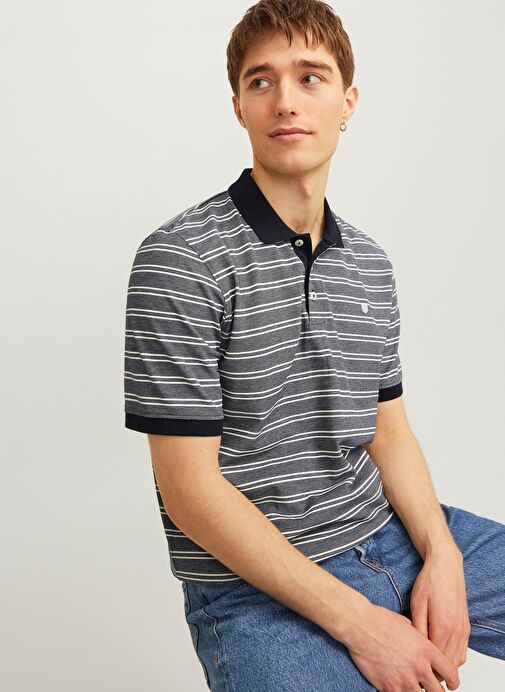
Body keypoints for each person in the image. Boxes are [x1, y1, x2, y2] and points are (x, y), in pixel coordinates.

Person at [123, 1, 505, 689]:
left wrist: (442, 555)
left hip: (386, 534)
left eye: (310, 77)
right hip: (254, 590)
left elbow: (388, 431)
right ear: (239, 108)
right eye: (261, 81)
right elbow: (189, 491)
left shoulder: (368, 262)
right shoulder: (180, 259)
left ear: (347, 101)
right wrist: (364, 625)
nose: (285, 101)